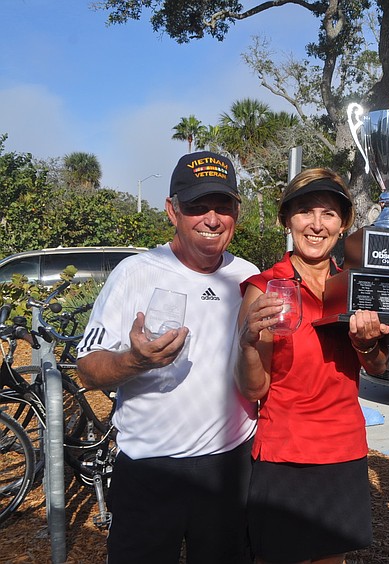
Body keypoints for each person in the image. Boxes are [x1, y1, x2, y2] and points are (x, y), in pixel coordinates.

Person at [76, 151, 259, 563]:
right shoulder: (135, 273)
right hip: (150, 470)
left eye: (223, 206)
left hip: (229, 470)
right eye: (197, 206)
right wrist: (136, 361)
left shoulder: (249, 277)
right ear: (172, 211)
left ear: (236, 213)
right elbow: (88, 367)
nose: (212, 219)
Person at [235, 168, 389, 564]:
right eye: (305, 211)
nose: (317, 225)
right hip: (285, 454)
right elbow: (253, 389)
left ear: (343, 224)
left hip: (343, 450)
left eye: (329, 214)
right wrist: (247, 342)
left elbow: (377, 367)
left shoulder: (356, 285)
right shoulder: (265, 288)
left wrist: (367, 344)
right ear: (287, 219)